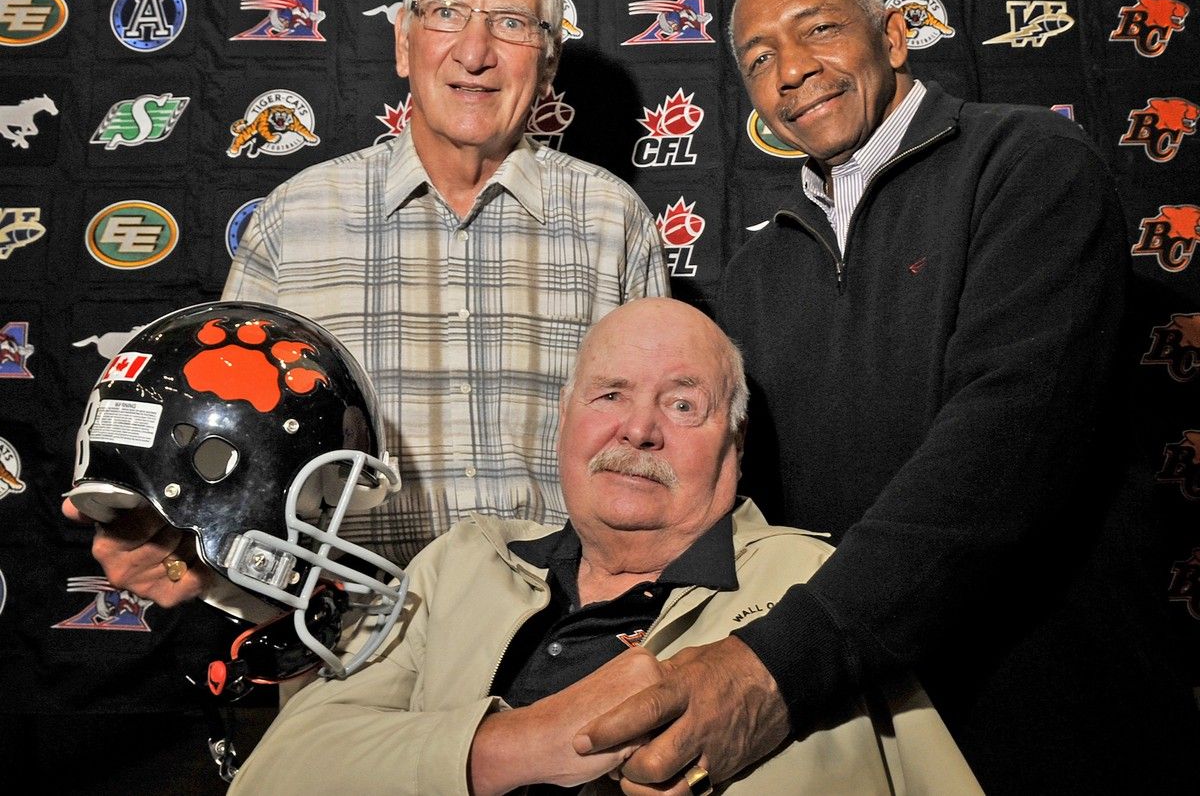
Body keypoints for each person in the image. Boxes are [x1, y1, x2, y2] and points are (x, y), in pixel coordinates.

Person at [573, 0, 1200, 795]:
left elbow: (1004, 447)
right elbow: (743, 499)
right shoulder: (758, 274)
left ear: (895, 36)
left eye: (819, 30)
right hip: (860, 723)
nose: (791, 71)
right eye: (759, 60)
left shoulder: (1028, 163)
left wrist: (777, 666)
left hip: (1048, 708)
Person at [62, 0, 669, 607]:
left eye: (510, 22)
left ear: (550, 58)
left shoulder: (612, 222)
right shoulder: (296, 220)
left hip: (563, 644)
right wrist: (173, 540)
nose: (475, 52)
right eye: (447, 13)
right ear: (404, 43)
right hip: (348, 643)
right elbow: (226, 459)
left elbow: (662, 456)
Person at [224, 297, 982, 795]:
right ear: (564, 422)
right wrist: (522, 740)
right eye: (610, 394)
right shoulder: (460, 565)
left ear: (735, 442)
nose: (639, 428)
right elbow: (279, 774)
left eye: (683, 404)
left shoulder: (813, 585)